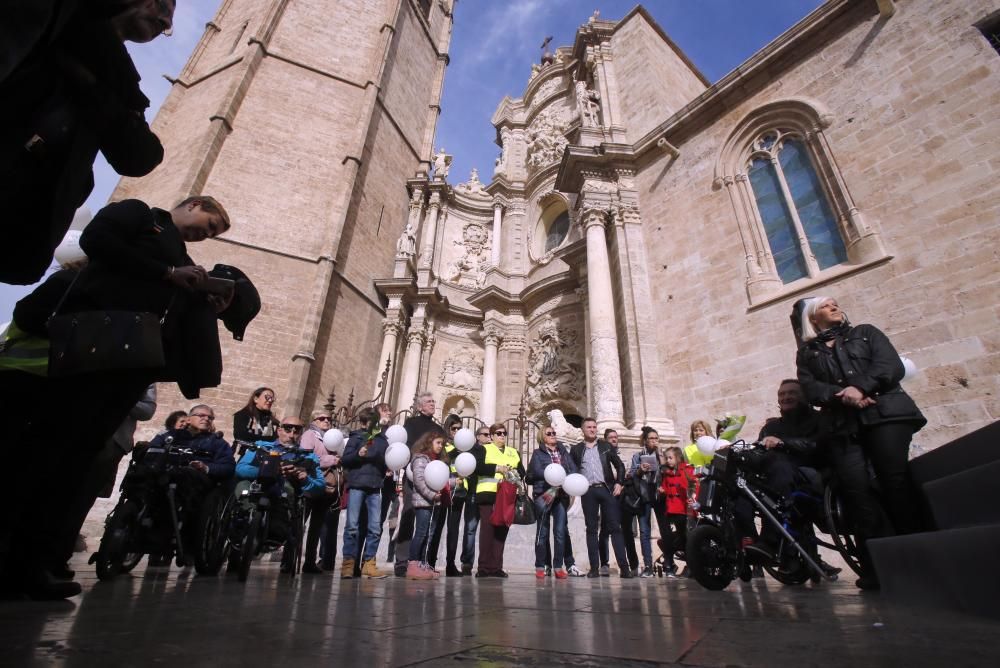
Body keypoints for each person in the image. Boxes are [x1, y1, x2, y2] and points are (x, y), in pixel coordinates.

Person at [0, 194, 245, 599]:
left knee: (72, 467)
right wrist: (167, 271)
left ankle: (33, 564)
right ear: (192, 204)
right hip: (90, 350)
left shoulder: (182, 257)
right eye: (209, 222)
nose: (208, 233)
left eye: (215, 233)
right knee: (42, 458)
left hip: (123, 366)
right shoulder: (140, 215)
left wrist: (206, 299)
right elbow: (97, 239)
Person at [0, 0, 175, 284]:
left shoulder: (124, 81)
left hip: (24, 209)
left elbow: (141, 156)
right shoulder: (61, 21)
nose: (166, 23)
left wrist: (93, 87)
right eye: (161, 7)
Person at [796, 296, 926, 590]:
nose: (835, 306)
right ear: (813, 318)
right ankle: (877, 566)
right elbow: (811, 388)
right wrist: (845, 395)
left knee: (894, 480)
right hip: (844, 426)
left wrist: (861, 387)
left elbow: (889, 365)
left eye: (835, 303)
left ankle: (921, 555)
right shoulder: (808, 353)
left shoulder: (866, 332)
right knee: (857, 492)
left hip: (885, 414)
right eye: (826, 305)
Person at [234, 415, 323, 574]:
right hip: (257, 486)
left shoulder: (308, 456)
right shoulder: (261, 446)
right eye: (288, 428)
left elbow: (319, 486)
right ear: (279, 430)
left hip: (283, 493)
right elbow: (241, 468)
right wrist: (268, 470)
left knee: (287, 491)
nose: (292, 433)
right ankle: (243, 526)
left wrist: (304, 478)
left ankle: (275, 530)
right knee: (242, 486)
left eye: (297, 430)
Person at [570, 418, 631, 578]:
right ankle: (594, 568)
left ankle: (624, 568)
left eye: (594, 427)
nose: (592, 429)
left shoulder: (605, 446)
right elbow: (572, 470)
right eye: (589, 427)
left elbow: (620, 465)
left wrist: (619, 483)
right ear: (582, 430)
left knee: (615, 528)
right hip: (588, 491)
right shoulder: (576, 449)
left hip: (606, 489)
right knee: (591, 530)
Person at [341, 406, 391, 579]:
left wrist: (388, 467)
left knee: (375, 527)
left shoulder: (382, 440)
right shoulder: (356, 438)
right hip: (357, 484)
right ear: (364, 423)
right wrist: (358, 454)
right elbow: (345, 460)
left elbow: (386, 460)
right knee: (352, 526)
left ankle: (369, 563)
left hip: (375, 486)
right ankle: (348, 563)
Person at [394, 392, 438, 576]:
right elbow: (407, 446)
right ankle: (402, 560)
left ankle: (419, 560)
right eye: (428, 402)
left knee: (425, 522)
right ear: (419, 406)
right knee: (408, 515)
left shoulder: (438, 428)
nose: (432, 404)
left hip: (432, 479)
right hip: (413, 475)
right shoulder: (411, 424)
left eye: (433, 401)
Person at [527, 425, 578, 579]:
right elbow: (536, 471)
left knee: (560, 532)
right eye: (549, 433)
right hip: (544, 494)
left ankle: (558, 566)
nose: (553, 435)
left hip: (561, 495)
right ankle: (540, 566)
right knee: (542, 532)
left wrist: (563, 477)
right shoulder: (537, 453)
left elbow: (573, 469)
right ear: (543, 437)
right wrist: (553, 473)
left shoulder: (563, 452)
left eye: (554, 433)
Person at [474, 422, 524, 577]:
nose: (502, 436)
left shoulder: (513, 451)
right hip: (488, 493)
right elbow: (478, 467)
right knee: (487, 530)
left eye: (504, 433)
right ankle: (483, 567)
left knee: (502, 530)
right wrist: (498, 468)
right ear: (492, 436)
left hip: (507, 495)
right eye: (499, 433)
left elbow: (522, 471)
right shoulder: (484, 448)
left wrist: (513, 473)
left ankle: (496, 567)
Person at [298, 409, 341, 574]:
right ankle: (288, 560)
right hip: (310, 484)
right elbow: (306, 457)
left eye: (329, 419)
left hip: (325, 487)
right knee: (300, 524)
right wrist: (330, 459)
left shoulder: (331, 437)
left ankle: (309, 561)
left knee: (316, 527)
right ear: (314, 420)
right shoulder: (310, 435)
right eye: (322, 418)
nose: (326, 421)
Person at [407, 431, 450, 580]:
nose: (440, 446)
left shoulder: (437, 461)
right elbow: (419, 481)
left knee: (430, 534)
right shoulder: (421, 459)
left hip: (434, 503)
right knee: (421, 533)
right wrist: (432, 495)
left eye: (442, 444)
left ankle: (424, 565)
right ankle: (413, 564)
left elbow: (440, 479)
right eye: (438, 443)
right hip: (423, 502)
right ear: (429, 442)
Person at [623, 426, 662, 578]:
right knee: (645, 531)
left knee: (664, 530)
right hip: (644, 496)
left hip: (659, 496)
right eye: (651, 438)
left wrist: (661, 459)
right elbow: (632, 473)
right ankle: (648, 565)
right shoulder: (638, 456)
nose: (654, 441)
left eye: (656, 438)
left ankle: (668, 564)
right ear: (645, 441)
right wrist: (640, 470)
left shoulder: (662, 456)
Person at [442, 415, 470, 577]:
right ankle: (429, 561)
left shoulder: (465, 448)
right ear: (448, 429)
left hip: (459, 492)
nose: (457, 432)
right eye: (454, 429)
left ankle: (450, 564)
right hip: (444, 489)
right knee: (436, 528)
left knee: (453, 530)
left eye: (459, 428)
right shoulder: (444, 446)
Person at [659, 446, 694, 578]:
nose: (668, 461)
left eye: (670, 458)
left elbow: (692, 486)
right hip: (673, 510)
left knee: (686, 536)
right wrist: (663, 491)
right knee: (675, 536)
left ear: (678, 458)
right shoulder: (667, 474)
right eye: (666, 458)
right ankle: (675, 563)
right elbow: (667, 488)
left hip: (684, 510)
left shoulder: (687, 470)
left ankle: (691, 565)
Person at [596, 428, 619, 572]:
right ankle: (604, 562)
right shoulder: (602, 453)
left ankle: (625, 562)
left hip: (623, 494)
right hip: (608, 492)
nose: (614, 439)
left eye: (616, 437)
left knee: (620, 529)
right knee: (604, 528)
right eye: (611, 437)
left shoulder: (621, 454)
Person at [232, 387, 278, 453]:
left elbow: (272, 439)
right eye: (267, 397)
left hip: (263, 455)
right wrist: (263, 439)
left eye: (272, 398)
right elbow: (240, 436)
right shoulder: (243, 415)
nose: (270, 400)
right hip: (244, 454)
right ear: (256, 399)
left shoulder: (269, 419)